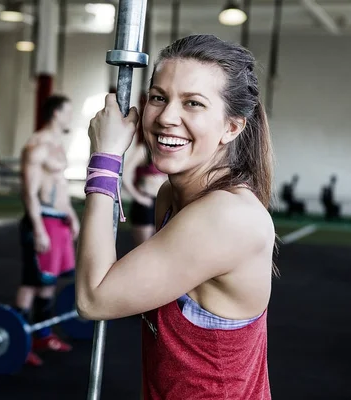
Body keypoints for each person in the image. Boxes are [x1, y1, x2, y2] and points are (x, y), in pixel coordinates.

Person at [76, 34, 276, 399]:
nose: (167, 117)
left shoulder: (225, 216)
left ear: (232, 126)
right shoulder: (172, 195)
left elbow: (94, 299)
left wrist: (105, 159)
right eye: (158, 97)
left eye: (193, 103)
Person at [15, 94, 80, 367]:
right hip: (40, 220)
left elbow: (59, 185)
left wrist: (71, 215)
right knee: (32, 282)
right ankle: (19, 340)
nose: (70, 117)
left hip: (58, 220)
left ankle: (42, 334)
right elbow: (29, 192)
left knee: (48, 281)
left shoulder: (57, 144)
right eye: (67, 112)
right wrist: (39, 229)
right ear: (55, 113)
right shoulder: (37, 145)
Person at [122, 139, 167, 246]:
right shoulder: (144, 149)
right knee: (143, 248)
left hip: (163, 203)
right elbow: (124, 175)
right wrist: (138, 197)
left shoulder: (170, 149)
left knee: (161, 248)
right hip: (146, 203)